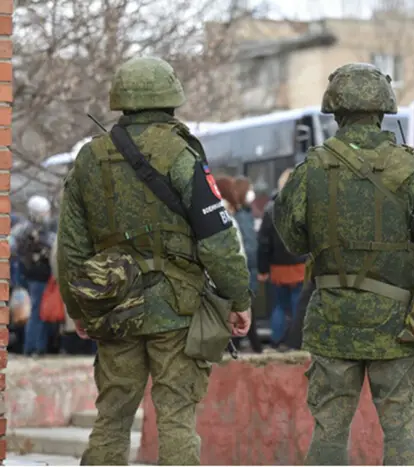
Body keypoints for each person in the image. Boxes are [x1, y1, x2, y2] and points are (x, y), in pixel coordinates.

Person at [56, 56, 252, 465]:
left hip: (113, 305)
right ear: (171, 99)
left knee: (111, 417)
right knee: (177, 417)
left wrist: (80, 308)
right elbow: (217, 236)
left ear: (121, 101)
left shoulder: (89, 158)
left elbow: (71, 247)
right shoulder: (182, 153)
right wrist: (238, 298)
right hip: (176, 308)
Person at [273, 63, 414, 465]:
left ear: (335, 110)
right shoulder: (412, 169)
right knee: (400, 432)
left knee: (329, 431)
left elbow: (291, 241)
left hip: (332, 321)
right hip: (397, 325)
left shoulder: (310, 170)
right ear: (383, 110)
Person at [257, 169, 307, 350]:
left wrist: (262, 269)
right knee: (298, 304)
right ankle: (296, 342)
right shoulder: (303, 206)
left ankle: (277, 340)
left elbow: (263, 242)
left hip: (277, 267)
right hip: (300, 266)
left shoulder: (271, 209)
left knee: (278, 306)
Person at [217, 175, 263, 353]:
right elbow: (245, 250)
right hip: (242, 273)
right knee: (243, 312)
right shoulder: (234, 216)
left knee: (243, 314)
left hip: (240, 273)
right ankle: (249, 348)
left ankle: (241, 348)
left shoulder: (234, 215)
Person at [12, 195, 57, 356]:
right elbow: (55, 246)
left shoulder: (20, 230)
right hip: (39, 278)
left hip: (24, 275)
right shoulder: (41, 232)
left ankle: (33, 346)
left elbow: (11, 248)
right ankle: (34, 347)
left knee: (31, 312)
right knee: (37, 312)